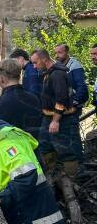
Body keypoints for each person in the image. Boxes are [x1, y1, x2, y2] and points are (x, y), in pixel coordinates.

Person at [30, 48, 81, 178]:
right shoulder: (48, 72)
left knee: (65, 150)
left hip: (61, 118)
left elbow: (61, 99)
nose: (34, 66)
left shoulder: (57, 74)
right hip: (48, 117)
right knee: (44, 145)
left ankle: (72, 179)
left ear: (43, 59)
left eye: (36, 63)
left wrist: (55, 120)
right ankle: (53, 175)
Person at [0, 58, 42, 138]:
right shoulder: (34, 99)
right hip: (33, 147)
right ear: (19, 75)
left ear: (2, 79)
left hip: (10, 148)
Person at [54, 43, 89, 111]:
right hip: (62, 104)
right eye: (55, 53)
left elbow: (81, 85)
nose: (57, 55)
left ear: (67, 52)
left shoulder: (75, 65)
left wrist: (75, 101)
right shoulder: (58, 65)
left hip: (73, 105)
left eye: (60, 52)